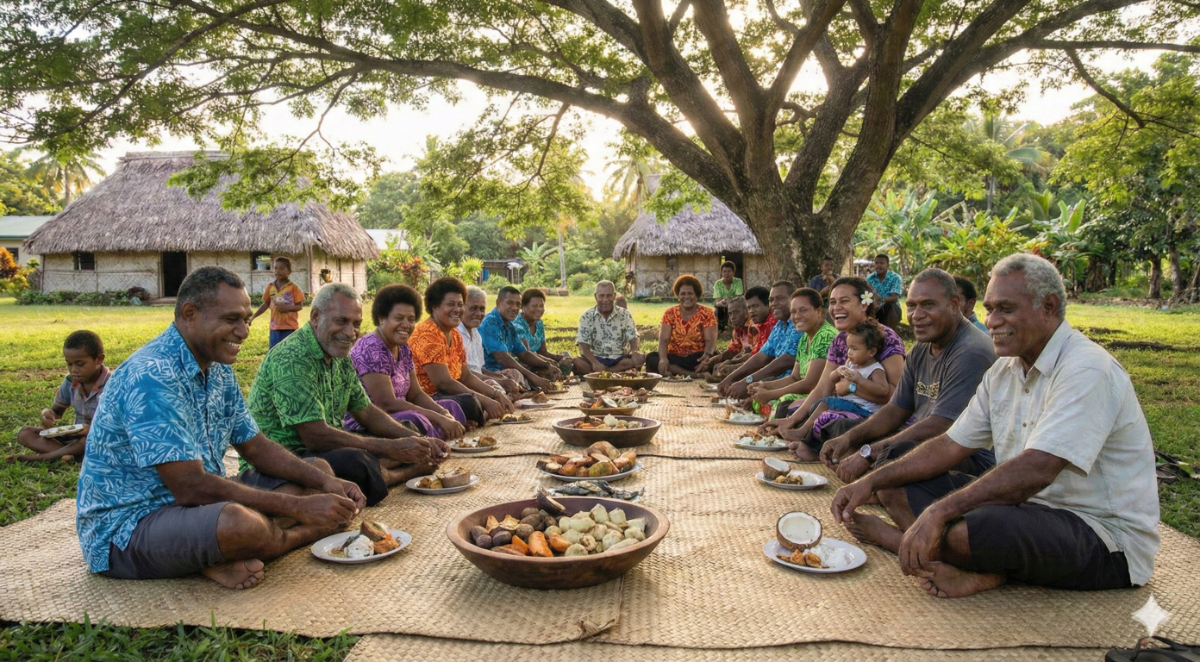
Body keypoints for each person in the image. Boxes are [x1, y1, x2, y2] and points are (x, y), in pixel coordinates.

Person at [832, 254, 1159, 599]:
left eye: (1005, 309)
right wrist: (871, 481)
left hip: (1102, 536)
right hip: (1025, 509)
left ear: (1049, 307)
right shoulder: (1004, 370)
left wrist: (938, 512)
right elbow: (950, 444)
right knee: (894, 481)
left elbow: (1037, 470)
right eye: (989, 309)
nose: (991, 321)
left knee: (970, 530)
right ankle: (972, 563)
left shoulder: (1087, 369)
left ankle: (902, 542)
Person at [77, 267, 366, 589]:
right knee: (240, 524)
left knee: (316, 470)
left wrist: (326, 482)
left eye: (246, 319)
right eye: (231, 320)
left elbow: (255, 446)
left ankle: (217, 552)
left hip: (198, 507)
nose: (243, 332)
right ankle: (289, 536)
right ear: (190, 314)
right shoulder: (152, 375)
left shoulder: (218, 367)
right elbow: (190, 487)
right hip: (130, 527)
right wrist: (300, 509)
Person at [246, 283, 449, 506]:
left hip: (326, 447)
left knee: (407, 429)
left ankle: (384, 466)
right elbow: (314, 436)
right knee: (356, 460)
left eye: (356, 324)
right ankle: (398, 474)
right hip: (288, 457)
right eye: (341, 321)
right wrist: (390, 448)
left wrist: (418, 441)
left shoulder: (339, 354)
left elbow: (367, 412)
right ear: (315, 317)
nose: (350, 332)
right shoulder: (292, 357)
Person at [818, 269, 997, 485]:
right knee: (853, 435)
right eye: (911, 305)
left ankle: (882, 490)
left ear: (954, 304)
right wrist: (849, 439)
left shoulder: (970, 351)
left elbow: (941, 426)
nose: (916, 315)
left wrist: (870, 453)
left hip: (968, 456)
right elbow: (896, 409)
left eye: (928, 305)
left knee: (890, 460)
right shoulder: (922, 348)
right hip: (929, 443)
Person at [762, 277, 907, 460]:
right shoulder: (840, 340)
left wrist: (852, 387)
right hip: (846, 407)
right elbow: (823, 387)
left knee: (841, 426)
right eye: (832, 302)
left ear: (864, 305)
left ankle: (819, 449)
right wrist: (791, 420)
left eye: (844, 301)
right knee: (795, 409)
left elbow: (896, 397)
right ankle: (814, 442)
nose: (836, 308)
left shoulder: (886, 338)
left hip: (878, 416)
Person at [346, 284, 471, 440]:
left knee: (450, 406)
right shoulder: (371, 348)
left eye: (411, 319)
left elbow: (416, 393)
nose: (406, 325)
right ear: (381, 318)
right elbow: (387, 404)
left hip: (402, 412)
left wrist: (442, 412)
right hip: (373, 423)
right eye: (399, 318)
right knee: (416, 419)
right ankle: (435, 445)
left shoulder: (403, 347)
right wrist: (438, 418)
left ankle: (447, 439)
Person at [412, 277, 515, 423]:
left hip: (448, 394)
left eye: (460, 305)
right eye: (450, 304)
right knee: (470, 402)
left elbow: (466, 376)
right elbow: (444, 383)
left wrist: (496, 394)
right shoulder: (428, 334)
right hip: (428, 399)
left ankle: (474, 417)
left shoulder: (454, 334)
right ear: (435, 307)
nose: (457, 310)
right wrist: (485, 400)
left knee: (478, 398)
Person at [784, 319, 890, 443]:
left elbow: (883, 390)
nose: (849, 353)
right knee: (819, 408)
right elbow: (832, 379)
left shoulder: (875, 369)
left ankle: (802, 432)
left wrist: (859, 380)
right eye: (848, 348)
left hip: (864, 410)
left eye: (854, 349)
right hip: (847, 405)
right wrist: (838, 372)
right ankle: (808, 439)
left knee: (826, 403)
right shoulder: (851, 364)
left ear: (871, 352)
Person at [11, 330, 109, 463]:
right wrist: (47, 414)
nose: (73, 369)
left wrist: (91, 429)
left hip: (101, 438)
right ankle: (70, 455)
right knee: (25, 433)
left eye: (80, 364)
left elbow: (119, 425)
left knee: (86, 440)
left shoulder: (112, 384)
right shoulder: (70, 382)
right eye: (69, 364)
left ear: (99, 359)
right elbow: (57, 411)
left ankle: (43, 457)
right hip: (75, 438)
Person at [747, 287, 836, 415]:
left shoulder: (825, 335)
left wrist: (770, 394)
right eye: (793, 312)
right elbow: (795, 377)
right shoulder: (805, 338)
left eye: (803, 310)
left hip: (822, 398)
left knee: (782, 402)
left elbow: (810, 384)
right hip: (807, 393)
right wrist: (764, 386)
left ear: (818, 311)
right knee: (760, 399)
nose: (797, 316)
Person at [716, 281, 798, 400]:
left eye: (780, 298)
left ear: (794, 299)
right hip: (776, 380)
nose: (774, 304)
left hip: (789, 384)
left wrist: (747, 380)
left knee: (746, 392)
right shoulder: (780, 325)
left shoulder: (798, 323)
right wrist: (731, 378)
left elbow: (787, 360)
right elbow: (761, 357)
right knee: (737, 390)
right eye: (771, 300)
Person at [479, 286, 557, 392]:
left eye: (518, 304)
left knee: (544, 373)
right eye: (510, 303)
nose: (515, 308)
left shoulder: (509, 325)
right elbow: (503, 359)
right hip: (489, 375)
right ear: (498, 303)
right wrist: (534, 378)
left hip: (506, 373)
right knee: (520, 380)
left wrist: (547, 364)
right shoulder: (489, 323)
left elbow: (523, 353)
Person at [645, 275, 718, 376]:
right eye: (682, 294)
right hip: (675, 357)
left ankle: (676, 371)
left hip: (698, 358)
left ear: (696, 295)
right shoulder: (670, 313)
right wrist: (663, 359)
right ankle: (693, 374)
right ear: (678, 296)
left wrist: (707, 356)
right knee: (652, 359)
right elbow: (663, 340)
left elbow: (710, 341)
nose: (686, 297)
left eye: (690, 293)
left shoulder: (707, 313)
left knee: (716, 360)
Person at [457, 286, 523, 394]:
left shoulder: (476, 333)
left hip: (478, 380)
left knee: (514, 377)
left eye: (482, 309)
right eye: (473, 308)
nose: (479, 313)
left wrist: (500, 377)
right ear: (461, 308)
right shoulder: (455, 334)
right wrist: (499, 381)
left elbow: (479, 369)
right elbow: (463, 375)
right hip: (464, 385)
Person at [574, 280, 644, 375]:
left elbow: (633, 338)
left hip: (619, 359)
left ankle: (602, 373)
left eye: (609, 295)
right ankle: (612, 372)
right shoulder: (586, 317)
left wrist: (634, 352)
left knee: (635, 360)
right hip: (595, 358)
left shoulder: (625, 314)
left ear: (614, 296)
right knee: (576, 362)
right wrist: (594, 362)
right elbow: (583, 347)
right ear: (595, 297)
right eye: (601, 296)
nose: (605, 300)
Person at [514, 288, 574, 378]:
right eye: (534, 306)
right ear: (524, 307)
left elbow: (543, 352)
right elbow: (526, 355)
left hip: (538, 361)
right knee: (550, 371)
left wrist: (559, 358)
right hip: (521, 363)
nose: (539, 309)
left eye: (541, 306)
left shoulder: (539, 323)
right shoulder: (517, 324)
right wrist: (549, 363)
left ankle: (555, 376)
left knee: (566, 358)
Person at [250, 257, 306, 349]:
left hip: (290, 327)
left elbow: (299, 306)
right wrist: (253, 317)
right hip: (274, 327)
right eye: (275, 268)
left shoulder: (293, 287)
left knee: (288, 351)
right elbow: (266, 304)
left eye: (282, 269)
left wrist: (286, 308)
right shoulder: (270, 287)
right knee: (274, 351)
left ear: (289, 272)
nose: (278, 271)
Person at [694, 296, 754, 378]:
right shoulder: (738, 330)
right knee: (717, 367)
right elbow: (732, 351)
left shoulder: (754, 326)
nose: (732, 317)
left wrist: (731, 362)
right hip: (748, 359)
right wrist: (708, 362)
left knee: (726, 368)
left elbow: (758, 355)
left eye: (736, 312)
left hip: (758, 361)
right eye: (730, 313)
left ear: (746, 311)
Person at [867, 254, 903, 332]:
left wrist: (880, 299)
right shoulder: (869, 279)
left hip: (892, 309)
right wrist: (873, 304)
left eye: (882, 263)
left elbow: (894, 298)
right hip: (875, 308)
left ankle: (890, 332)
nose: (878, 265)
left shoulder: (895, 278)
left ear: (888, 265)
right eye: (876, 263)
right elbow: (865, 295)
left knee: (889, 305)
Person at [712, 261, 743, 332]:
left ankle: (737, 328)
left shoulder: (738, 281)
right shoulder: (718, 283)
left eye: (729, 271)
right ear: (721, 273)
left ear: (733, 272)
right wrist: (722, 302)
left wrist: (730, 302)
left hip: (735, 305)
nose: (726, 274)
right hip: (722, 305)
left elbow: (738, 297)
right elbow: (717, 301)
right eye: (724, 271)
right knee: (717, 310)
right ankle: (720, 328)